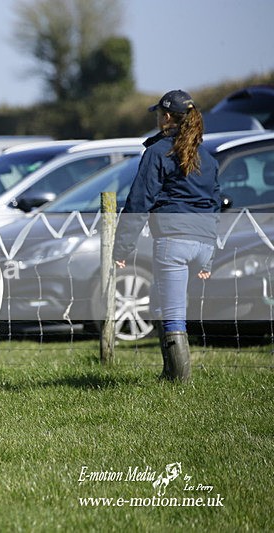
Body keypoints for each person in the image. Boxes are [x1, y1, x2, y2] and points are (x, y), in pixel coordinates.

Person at [113, 89, 220, 382]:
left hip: (173, 242)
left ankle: (180, 381)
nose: (158, 118)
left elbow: (139, 202)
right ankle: (168, 373)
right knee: (159, 303)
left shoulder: (158, 153)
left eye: (159, 114)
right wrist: (209, 256)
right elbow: (213, 204)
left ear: (167, 117)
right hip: (202, 242)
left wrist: (121, 248)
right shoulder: (206, 158)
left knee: (172, 312)